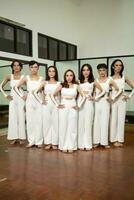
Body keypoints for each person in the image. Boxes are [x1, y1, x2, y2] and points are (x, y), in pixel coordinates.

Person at [51, 69, 84, 153]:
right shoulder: (61, 85)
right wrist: (57, 104)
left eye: (71, 75)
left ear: (73, 77)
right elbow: (52, 95)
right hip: (64, 106)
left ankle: (72, 146)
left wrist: (79, 105)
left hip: (73, 106)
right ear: (65, 76)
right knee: (63, 126)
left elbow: (84, 96)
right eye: (67, 75)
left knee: (72, 127)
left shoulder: (76, 86)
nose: (69, 77)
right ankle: (63, 146)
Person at [14, 60, 44, 148]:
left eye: (35, 67)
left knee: (39, 121)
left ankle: (39, 141)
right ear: (29, 68)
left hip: (38, 100)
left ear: (38, 68)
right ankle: (31, 141)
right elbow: (15, 87)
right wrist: (22, 96)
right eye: (31, 67)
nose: (33, 69)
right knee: (30, 121)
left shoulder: (41, 78)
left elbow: (43, 91)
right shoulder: (26, 78)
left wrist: (44, 100)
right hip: (29, 100)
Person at [93, 63, 121, 149]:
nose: (102, 72)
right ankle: (96, 141)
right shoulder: (95, 80)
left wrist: (112, 97)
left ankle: (104, 142)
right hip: (97, 102)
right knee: (97, 121)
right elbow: (93, 91)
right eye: (100, 70)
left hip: (105, 102)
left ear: (106, 70)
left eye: (103, 70)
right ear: (98, 71)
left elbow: (119, 90)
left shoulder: (110, 80)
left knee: (105, 121)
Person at [78, 64, 105, 151]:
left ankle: (88, 144)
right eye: (84, 70)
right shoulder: (78, 81)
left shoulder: (93, 81)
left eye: (87, 70)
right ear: (81, 71)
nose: (86, 72)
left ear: (90, 71)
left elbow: (103, 91)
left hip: (89, 103)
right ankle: (81, 144)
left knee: (88, 123)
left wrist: (95, 97)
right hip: (80, 103)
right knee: (81, 123)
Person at [33, 66, 60, 150]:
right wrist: (41, 101)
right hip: (47, 104)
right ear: (47, 73)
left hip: (56, 104)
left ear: (56, 73)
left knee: (56, 124)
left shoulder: (59, 83)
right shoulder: (44, 83)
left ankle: (55, 143)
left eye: (53, 71)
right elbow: (34, 92)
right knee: (47, 124)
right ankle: (48, 142)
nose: (51, 73)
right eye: (49, 71)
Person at [0, 60, 26, 144]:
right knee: (13, 117)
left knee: (21, 117)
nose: (16, 67)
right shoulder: (9, 76)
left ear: (21, 67)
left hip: (21, 98)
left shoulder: (24, 77)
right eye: (14, 65)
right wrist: (5, 95)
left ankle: (21, 137)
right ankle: (13, 137)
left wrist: (27, 97)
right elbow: (0, 86)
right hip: (12, 99)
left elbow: (29, 88)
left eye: (18, 65)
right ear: (12, 67)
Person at [110, 59, 134, 147]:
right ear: (113, 66)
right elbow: (104, 89)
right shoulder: (110, 78)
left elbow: (133, 87)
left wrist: (129, 96)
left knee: (120, 120)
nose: (118, 67)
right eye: (116, 65)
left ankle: (119, 140)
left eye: (120, 65)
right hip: (113, 100)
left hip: (122, 100)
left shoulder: (124, 77)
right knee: (113, 119)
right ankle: (113, 139)